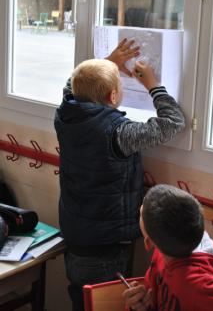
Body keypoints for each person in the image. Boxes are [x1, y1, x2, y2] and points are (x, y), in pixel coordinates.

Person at [54, 39, 185, 311]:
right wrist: (153, 85)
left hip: (76, 238)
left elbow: (71, 85)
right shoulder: (119, 133)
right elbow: (173, 123)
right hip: (106, 247)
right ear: (113, 97)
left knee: (81, 300)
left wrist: (108, 62)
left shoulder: (64, 116)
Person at [123, 184, 213, 311]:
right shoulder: (170, 244)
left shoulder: (197, 286)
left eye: (140, 213)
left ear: (148, 242)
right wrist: (140, 305)